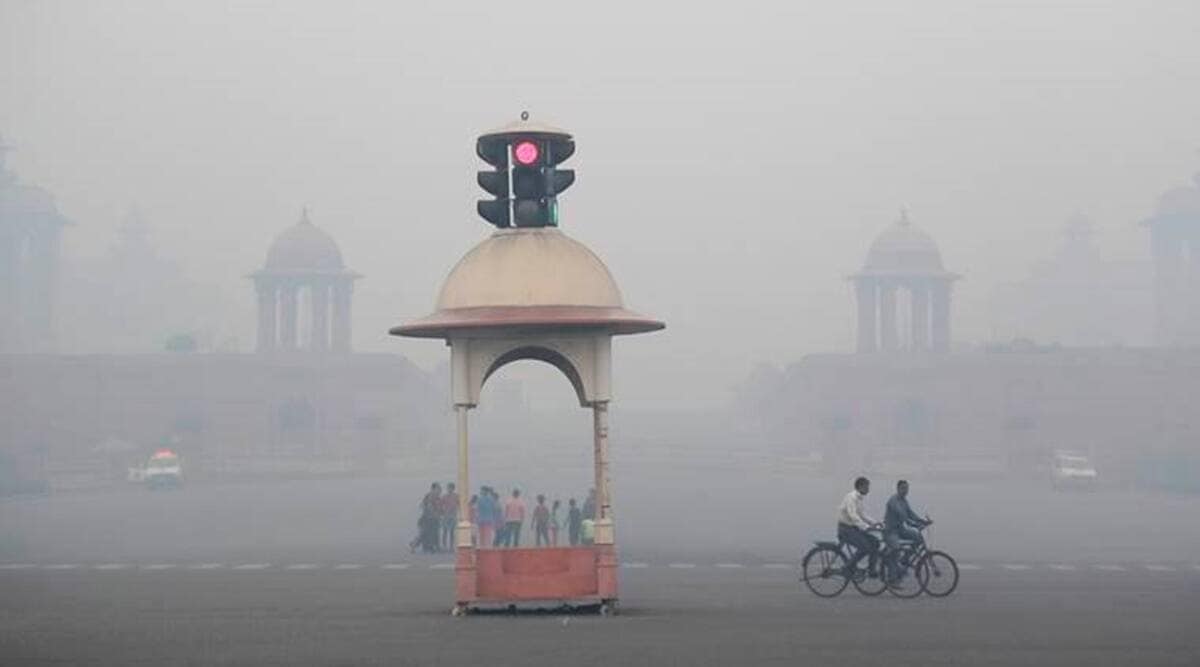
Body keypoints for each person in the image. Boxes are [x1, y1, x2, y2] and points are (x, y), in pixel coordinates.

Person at [882, 480, 931, 584]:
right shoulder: (893, 501)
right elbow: (902, 515)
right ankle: (892, 578)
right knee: (896, 549)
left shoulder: (904, 501)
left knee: (918, 538)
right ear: (898, 489)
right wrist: (914, 524)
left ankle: (905, 559)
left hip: (900, 529)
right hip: (890, 531)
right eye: (903, 488)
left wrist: (922, 521)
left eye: (907, 488)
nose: (905, 491)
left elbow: (910, 513)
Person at [837, 476, 881, 577]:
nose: (868, 489)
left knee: (875, 542)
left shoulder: (859, 498)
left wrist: (875, 523)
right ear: (860, 486)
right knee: (865, 547)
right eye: (867, 487)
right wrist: (865, 527)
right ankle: (847, 567)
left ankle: (871, 570)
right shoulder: (851, 497)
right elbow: (853, 516)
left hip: (854, 529)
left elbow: (862, 515)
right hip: (846, 529)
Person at [440, 482, 459, 551]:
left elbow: (459, 504)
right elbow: (440, 505)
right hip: (446, 516)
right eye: (448, 488)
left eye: (450, 488)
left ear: (453, 489)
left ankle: (451, 546)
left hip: (453, 516)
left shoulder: (456, 496)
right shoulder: (444, 496)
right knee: (445, 531)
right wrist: (442, 512)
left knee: (452, 532)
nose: (449, 489)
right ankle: (444, 546)